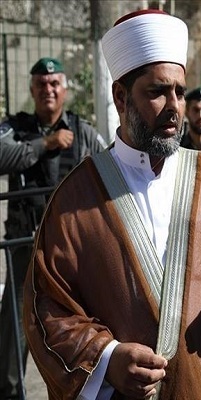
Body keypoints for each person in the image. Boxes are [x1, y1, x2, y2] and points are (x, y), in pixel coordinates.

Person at [23, 9, 201, 400]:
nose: (174, 106)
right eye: (157, 92)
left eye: (179, 91)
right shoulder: (74, 201)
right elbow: (47, 307)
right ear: (121, 97)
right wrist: (108, 358)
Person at [0, 56, 106, 399]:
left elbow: (107, 169)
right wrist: (45, 144)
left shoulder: (84, 132)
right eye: (41, 85)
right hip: (24, 250)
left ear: (64, 90)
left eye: (54, 84)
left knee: (73, 332)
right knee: (14, 335)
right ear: (32, 90)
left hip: (69, 254)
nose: (48, 90)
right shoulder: (15, 129)